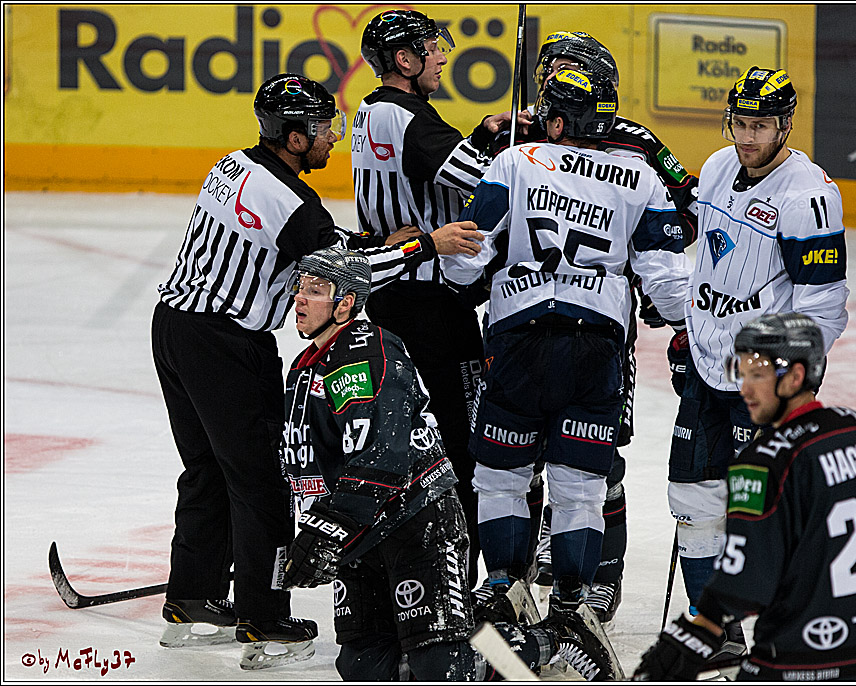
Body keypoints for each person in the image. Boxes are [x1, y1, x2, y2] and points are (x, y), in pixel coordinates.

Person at [152, 72, 483, 670]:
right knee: (259, 482)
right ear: (296, 137)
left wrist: (374, 238)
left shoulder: (232, 165)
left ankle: (191, 601)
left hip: (173, 328)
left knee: (205, 470)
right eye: (324, 128)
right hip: (228, 346)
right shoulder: (296, 203)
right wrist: (426, 245)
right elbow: (344, 271)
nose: (334, 138)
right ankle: (264, 617)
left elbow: (311, 241)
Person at [278, 246, 617, 681]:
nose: (300, 299)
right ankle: (479, 624)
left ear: (346, 303)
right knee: (364, 669)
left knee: (443, 670)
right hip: (361, 534)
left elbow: (380, 459)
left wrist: (323, 531)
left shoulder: (365, 354)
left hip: (417, 524)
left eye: (315, 290)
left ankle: (553, 638)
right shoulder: (306, 367)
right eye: (300, 289)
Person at [441, 67, 691, 631]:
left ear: (556, 118)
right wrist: (688, 329)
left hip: (518, 342)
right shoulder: (643, 176)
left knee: (502, 476)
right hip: (598, 347)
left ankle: (503, 586)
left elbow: (464, 263)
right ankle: (574, 605)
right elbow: (669, 290)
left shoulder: (515, 160)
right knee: (580, 485)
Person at [634, 313, 856, 682]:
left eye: (757, 375)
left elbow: (743, 583)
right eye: (742, 372)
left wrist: (690, 637)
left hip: (797, 664)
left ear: (796, 377)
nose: (744, 388)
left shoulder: (764, 462)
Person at [666, 65, 850, 651]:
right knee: (693, 500)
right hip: (705, 365)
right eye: (740, 122)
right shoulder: (720, 167)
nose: (746, 137)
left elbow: (824, 307)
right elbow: (710, 261)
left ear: (786, 126)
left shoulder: (809, 196)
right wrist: (685, 330)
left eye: (761, 125)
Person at [353, 9, 530, 587]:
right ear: (405, 60)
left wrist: (481, 137)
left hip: (385, 303)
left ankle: (392, 577)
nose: (442, 56)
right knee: (461, 444)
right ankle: (465, 586)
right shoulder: (413, 120)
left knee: (394, 439)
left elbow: (421, 173)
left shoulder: (368, 112)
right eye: (432, 48)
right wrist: (521, 153)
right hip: (432, 310)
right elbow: (490, 186)